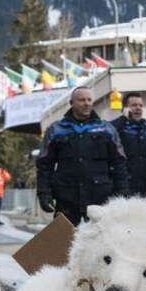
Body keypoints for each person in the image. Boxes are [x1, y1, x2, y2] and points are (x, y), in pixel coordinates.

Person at [36, 86, 128, 225]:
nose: (87, 103)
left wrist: (122, 192)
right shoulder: (56, 130)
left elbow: (118, 163)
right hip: (66, 199)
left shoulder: (107, 129)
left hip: (99, 199)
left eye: (89, 100)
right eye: (82, 100)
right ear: (72, 103)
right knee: (65, 243)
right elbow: (44, 165)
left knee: (98, 243)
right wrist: (44, 193)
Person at [110, 92, 146, 202]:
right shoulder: (118, 128)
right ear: (125, 108)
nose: (138, 108)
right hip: (126, 191)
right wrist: (123, 119)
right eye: (134, 105)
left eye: (140, 105)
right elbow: (108, 132)